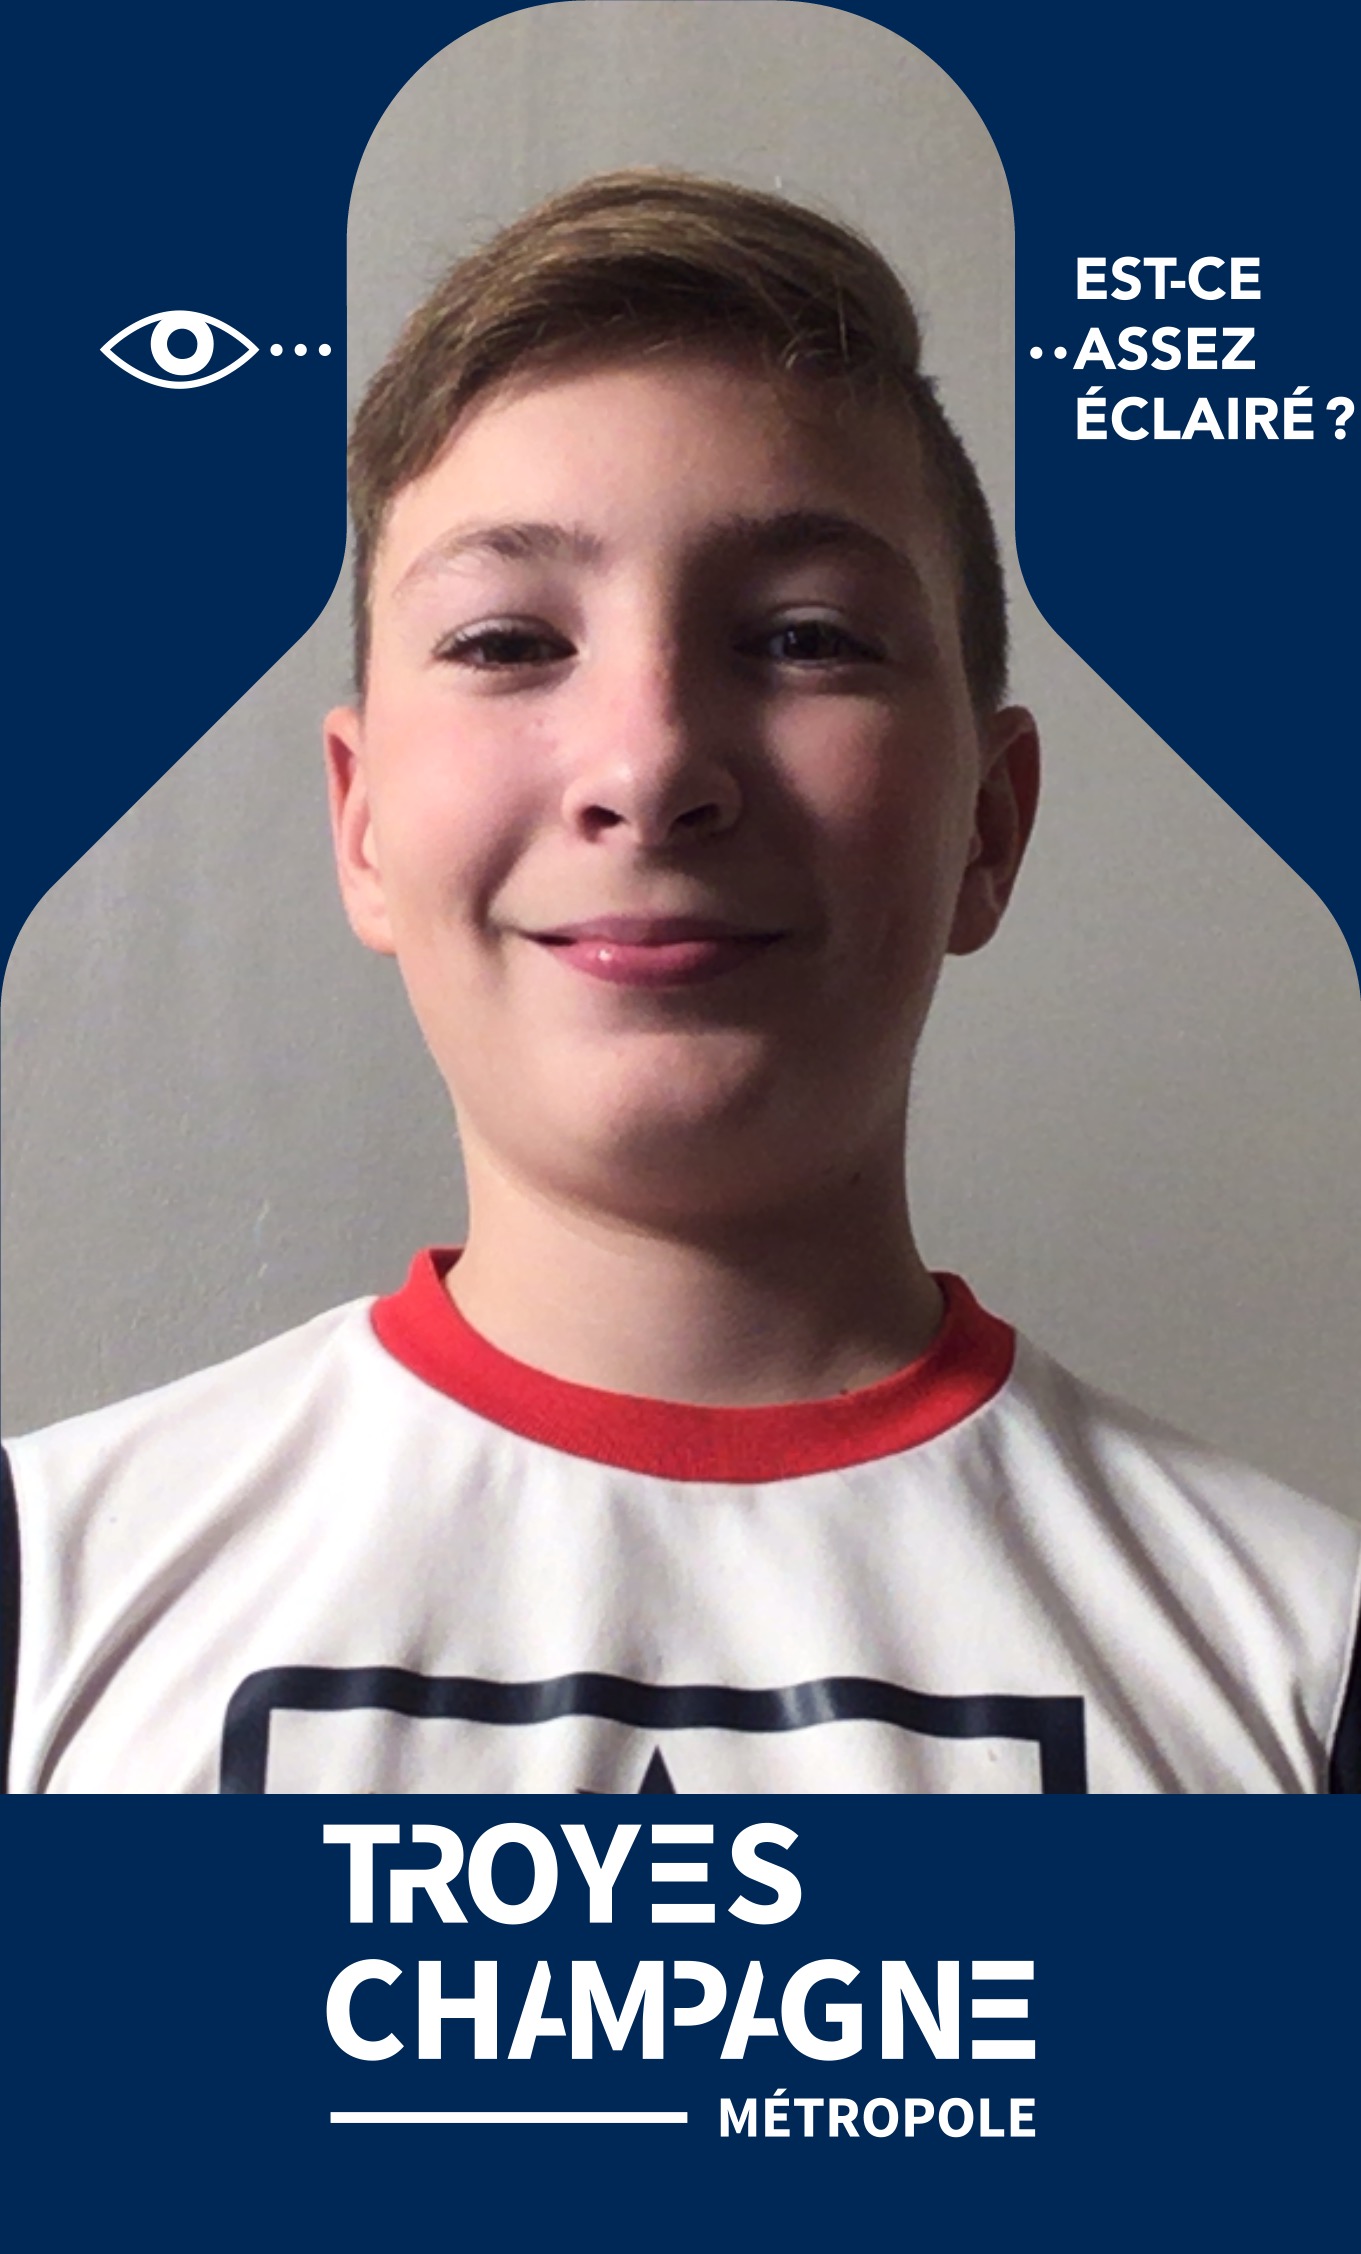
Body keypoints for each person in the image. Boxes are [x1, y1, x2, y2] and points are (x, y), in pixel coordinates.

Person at [2, 172, 1357, 1795]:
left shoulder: (1304, 1660)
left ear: (987, 828)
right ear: (360, 825)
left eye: (803, 638)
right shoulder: (47, 1592)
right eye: (507, 641)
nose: (648, 769)